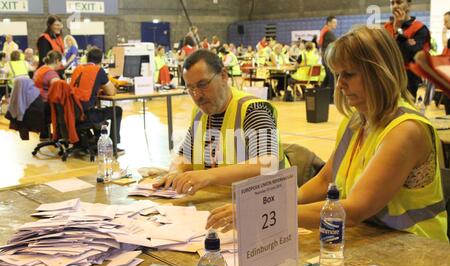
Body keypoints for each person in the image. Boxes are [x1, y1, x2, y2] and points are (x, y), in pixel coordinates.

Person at [207, 26, 448, 242]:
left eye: (349, 74)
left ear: (379, 73)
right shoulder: (355, 122)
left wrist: (265, 213)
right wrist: (266, 202)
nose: (340, 84)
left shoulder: (406, 131)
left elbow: (354, 210)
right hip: (375, 239)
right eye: (337, 75)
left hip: (419, 249)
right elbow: (324, 181)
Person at [153, 49, 288, 195]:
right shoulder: (199, 113)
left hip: (267, 201)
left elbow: (267, 164)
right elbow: (185, 155)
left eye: (203, 84)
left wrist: (208, 176)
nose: (197, 96)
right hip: (222, 201)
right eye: (191, 88)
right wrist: (175, 171)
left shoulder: (254, 110)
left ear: (223, 76)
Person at [69, 47, 123, 150]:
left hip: (73, 112)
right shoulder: (98, 70)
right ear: (101, 60)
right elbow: (111, 92)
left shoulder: (77, 69)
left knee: (97, 109)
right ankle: (113, 146)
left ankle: (98, 139)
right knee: (117, 111)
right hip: (86, 114)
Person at [384, 0, 431, 98]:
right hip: (387, 77)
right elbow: (382, 53)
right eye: (392, 3)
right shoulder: (386, 28)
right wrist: (406, 41)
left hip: (409, 79)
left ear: (408, 5)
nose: (395, 6)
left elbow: (409, 56)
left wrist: (398, 31)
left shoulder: (420, 28)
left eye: (399, 2)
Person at [33, 50, 63, 140]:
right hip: (46, 105)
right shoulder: (51, 73)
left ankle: (44, 134)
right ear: (57, 60)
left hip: (36, 103)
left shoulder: (40, 69)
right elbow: (60, 89)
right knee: (68, 107)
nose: (61, 65)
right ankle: (61, 134)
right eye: (60, 62)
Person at [319, 16, 338, 101]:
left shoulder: (324, 31)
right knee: (331, 78)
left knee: (327, 78)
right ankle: (330, 99)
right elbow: (336, 44)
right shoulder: (329, 33)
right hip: (328, 59)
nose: (336, 24)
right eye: (334, 22)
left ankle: (318, 95)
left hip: (325, 58)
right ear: (329, 23)